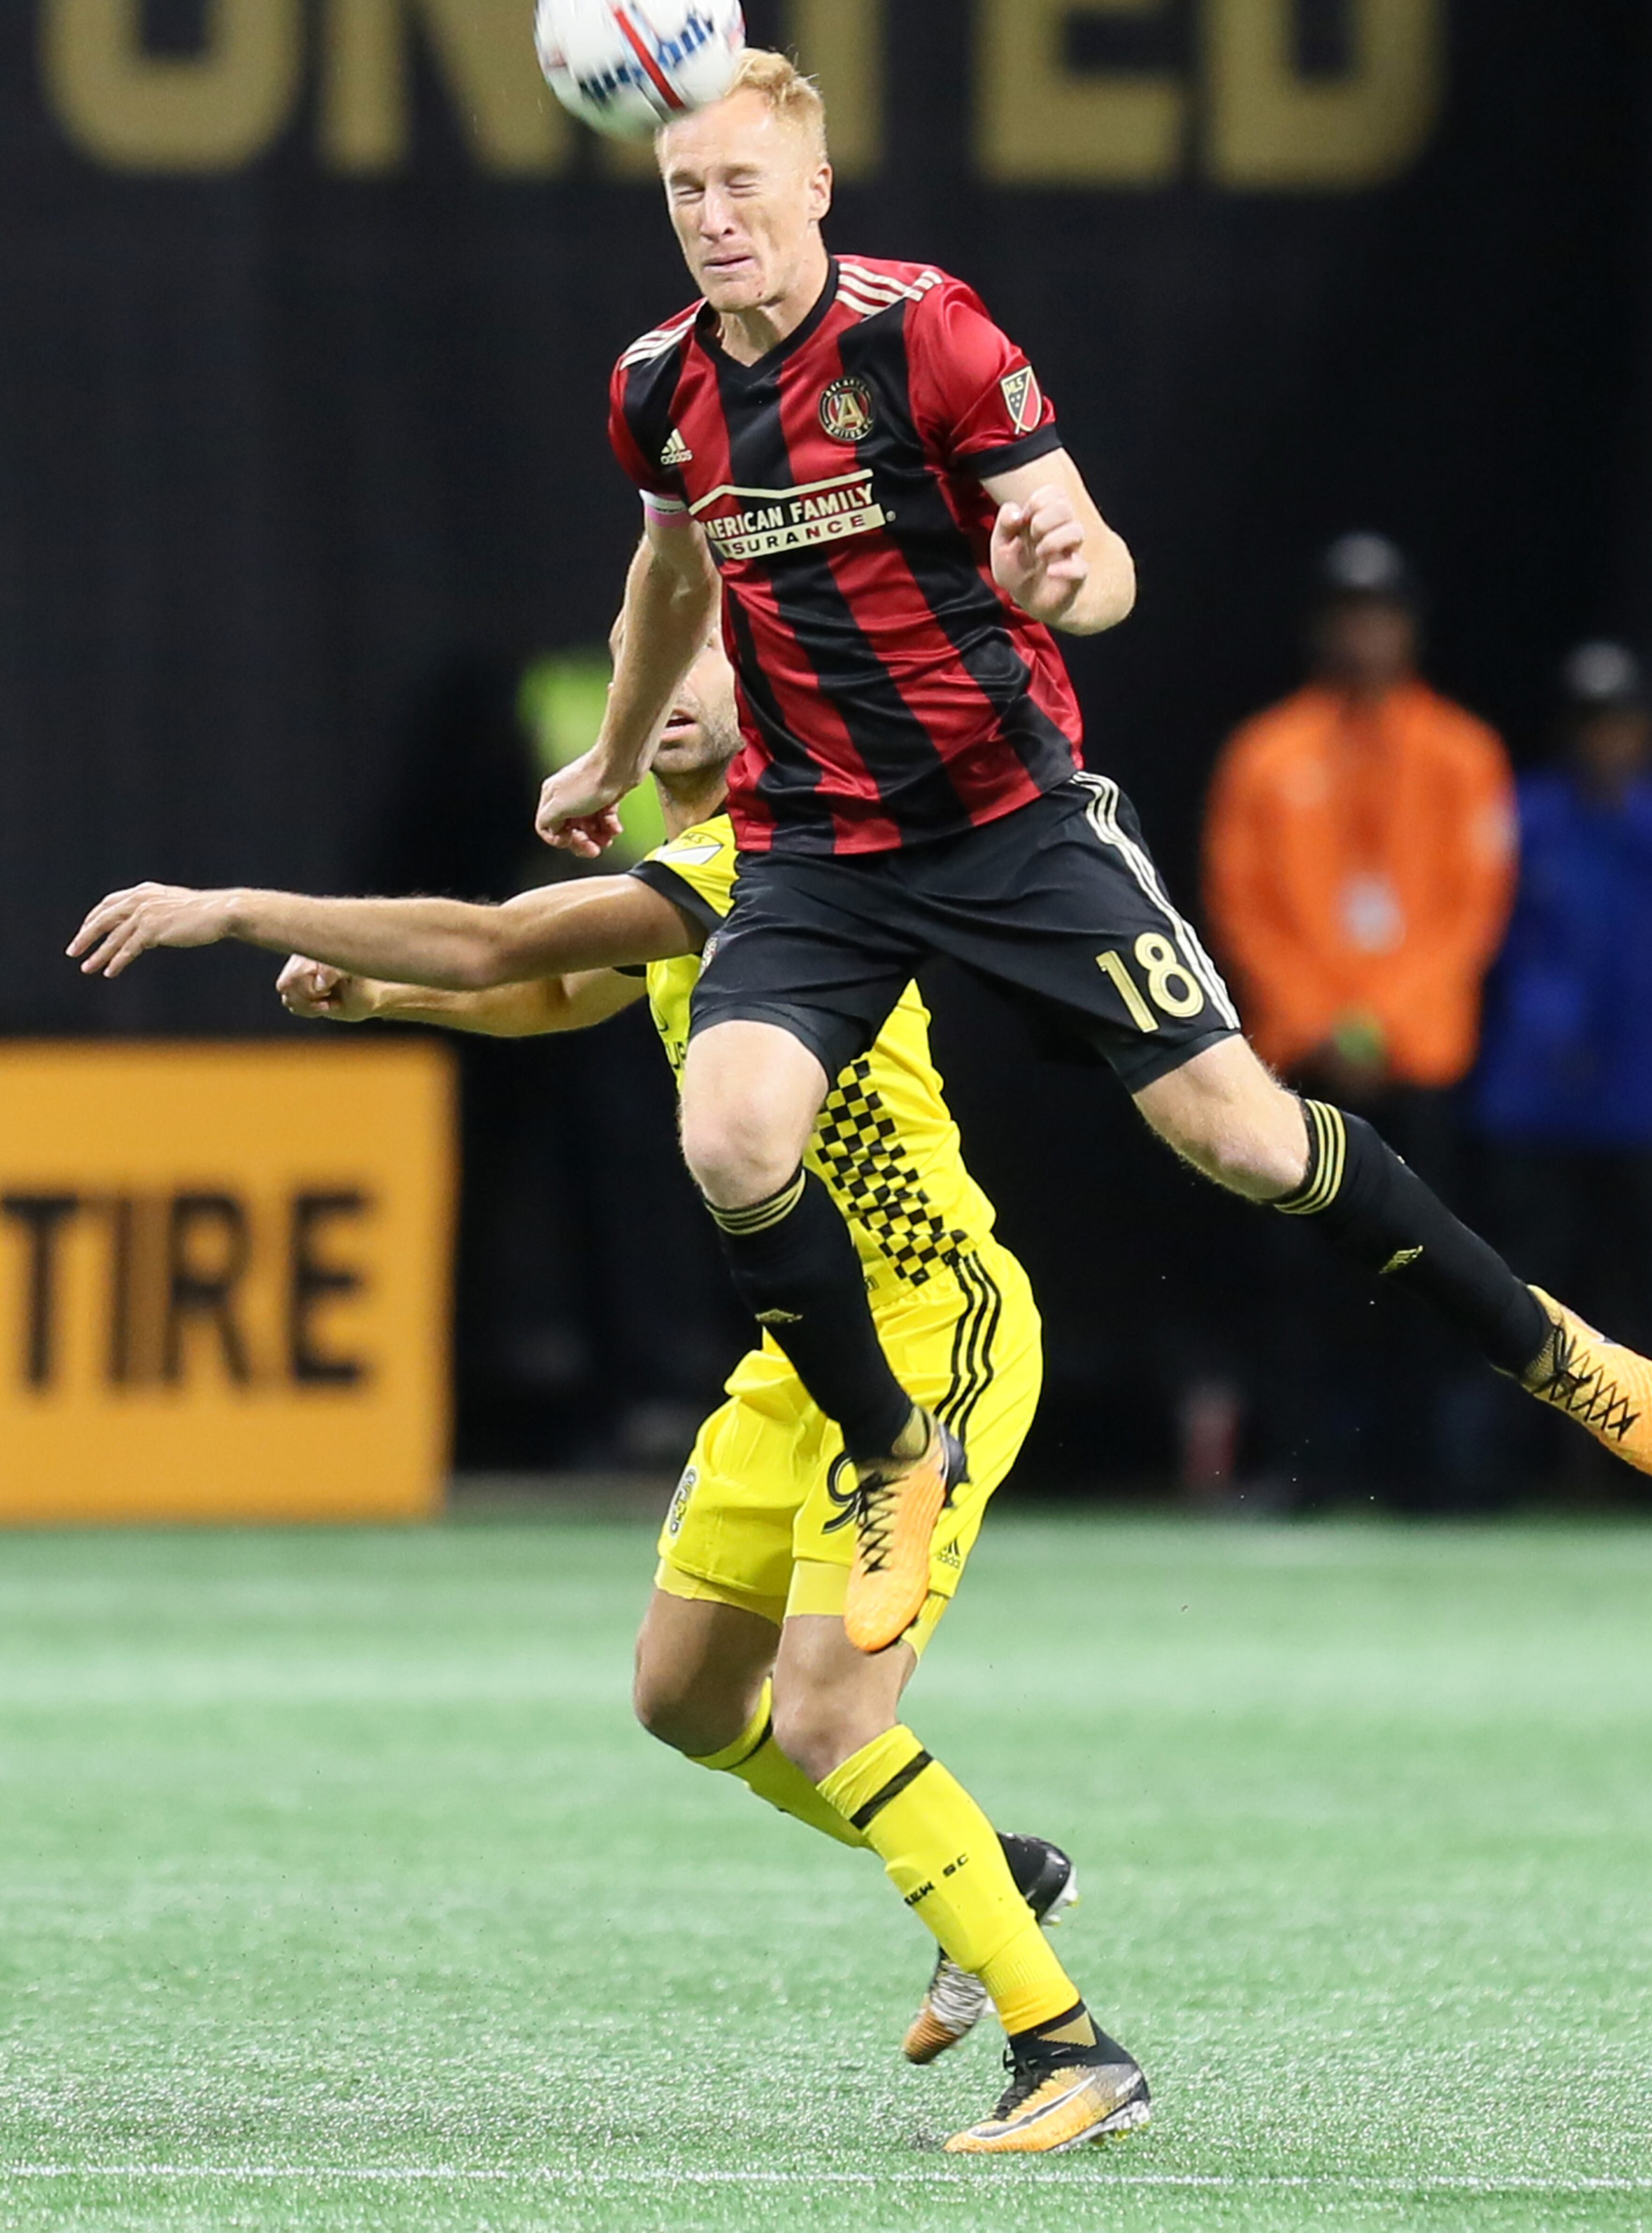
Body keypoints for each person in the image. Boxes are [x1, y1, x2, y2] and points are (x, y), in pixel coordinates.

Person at [522, 45, 1652, 2140]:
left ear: (814, 181)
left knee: (1241, 1138)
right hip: (814, 846)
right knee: (729, 1123)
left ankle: (1544, 1344)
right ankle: (892, 1450)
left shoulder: (932, 334)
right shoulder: (664, 385)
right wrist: (622, 757)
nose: (711, 214)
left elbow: (1087, 543)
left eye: (740, 181)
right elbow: (667, 578)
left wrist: (1080, 573)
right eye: (682, 185)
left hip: (1009, 816)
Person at [69, 625, 1128, 2158]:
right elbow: (557, 994)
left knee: (832, 1709)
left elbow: (505, 944)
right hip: (806, 1349)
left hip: (927, 1328)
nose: (665, 678)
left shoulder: (788, 855)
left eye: (698, 655)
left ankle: (1071, 2048)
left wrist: (235, 908)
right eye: (649, 652)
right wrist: (392, 1006)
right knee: (685, 1700)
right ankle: (981, 1864)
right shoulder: (695, 874)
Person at [1202, 534, 1517, 1500]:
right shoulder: (1266, 754)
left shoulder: (1464, 753)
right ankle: (1311, 1470)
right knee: (1300, 1282)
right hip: (1302, 1063)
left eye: (1381, 613)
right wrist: (1326, 1022)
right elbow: (1239, 906)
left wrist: (1385, 1021)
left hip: (1418, 1059)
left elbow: (1474, 911)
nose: (1365, 632)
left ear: (1408, 628)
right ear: (1322, 628)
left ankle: (1428, 1478)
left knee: (1434, 1272)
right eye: (1348, 613)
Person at [1474, 640, 1652, 1393]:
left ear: (1646, 729)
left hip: (1647, 1094)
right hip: (1536, 1092)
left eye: (1620, 721)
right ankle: (1526, 1462)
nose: (1607, 740)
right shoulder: (1524, 816)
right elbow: (1488, 942)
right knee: (1532, 1283)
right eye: (1593, 722)